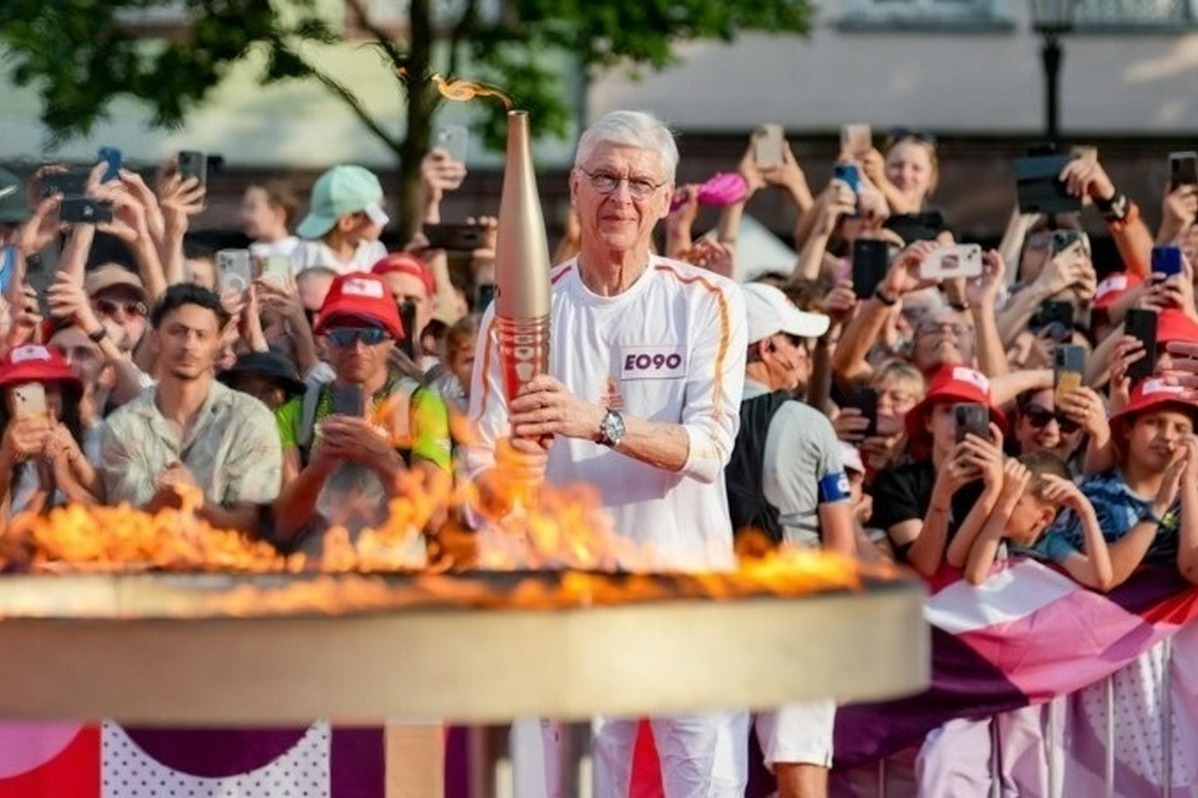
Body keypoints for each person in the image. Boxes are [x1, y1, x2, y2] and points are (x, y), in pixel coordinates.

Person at [462, 109, 748, 797]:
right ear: (576, 189)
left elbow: (710, 447)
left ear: (666, 200)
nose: (621, 197)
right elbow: (479, 477)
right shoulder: (516, 315)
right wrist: (505, 479)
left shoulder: (706, 301)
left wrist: (597, 422)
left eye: (640, 183)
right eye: (605, 178)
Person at [723, 282, 854, 798]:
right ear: (766, 348)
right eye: (796, 342)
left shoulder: (688, 420)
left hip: (711, 610)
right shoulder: (811, 424)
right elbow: (840, 546)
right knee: (799, 765)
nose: (805, 354)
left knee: (707, 768)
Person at [272, 272, 450, 556]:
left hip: (394, 569)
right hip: (318, 569)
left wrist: (382, 458)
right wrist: (317, 470)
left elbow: (434, 518)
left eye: (372, 334)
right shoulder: (299, 410)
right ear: (325, 340)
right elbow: (284, 525)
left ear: (392, 339)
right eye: (343, 334)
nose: (357, 348)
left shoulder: (420, 404)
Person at [98, 284, 282, 535]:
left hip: (231, 568)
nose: (189, 345)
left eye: (201, 335)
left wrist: (195, 500)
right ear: (154, 339)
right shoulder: (122, 426)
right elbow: (125, 527)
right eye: (178, 332)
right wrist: (161, 502)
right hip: (146, 566)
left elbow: (251, 527)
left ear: (218, 342)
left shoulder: (251, 418)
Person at [963, 452, 1112, 589]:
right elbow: (975, 575)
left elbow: (1099, 579)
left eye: (1013, 501)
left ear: (1044, 516)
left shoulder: (1051, 545)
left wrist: (1087, 513)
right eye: (1000, 496)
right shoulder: (995, 536)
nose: (999, 505)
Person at [0, 344, 98, 516]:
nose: (37, 401)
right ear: (5, 400)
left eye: (47, 390)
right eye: (24, 392)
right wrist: (6, 459)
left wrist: (66, 477)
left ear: (64, 395)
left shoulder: (93, 436)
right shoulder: (6, 451)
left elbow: (111, 517)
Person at [291, 165, 388, 275]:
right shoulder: (308, 251)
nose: (381, 222)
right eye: (377, 213)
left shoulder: (375, 252)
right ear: (346, 222)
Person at [241, 180, 300, 261]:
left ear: (278, 214)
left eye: (252, 207)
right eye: (244, 207)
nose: (244, 215)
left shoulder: (299, 253)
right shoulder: (249, 254)